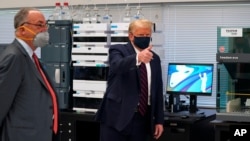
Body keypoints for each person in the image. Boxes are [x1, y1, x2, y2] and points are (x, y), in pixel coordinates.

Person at [95, 19, 164, 141]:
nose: (145, 38)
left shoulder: (155, 59)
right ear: (131, 36)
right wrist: (138, 58)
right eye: (141, 35)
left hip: (142, 118)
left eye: (147, 35)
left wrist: (159, 120)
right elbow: (117, 66)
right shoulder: (118, 50)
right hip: (117, 117)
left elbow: (157, 90)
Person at [0, 7, 59, 141]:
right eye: (39, 25)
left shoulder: (31, 57)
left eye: (46, 25)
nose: (45, 30)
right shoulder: (14, 57)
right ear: (22, 30)